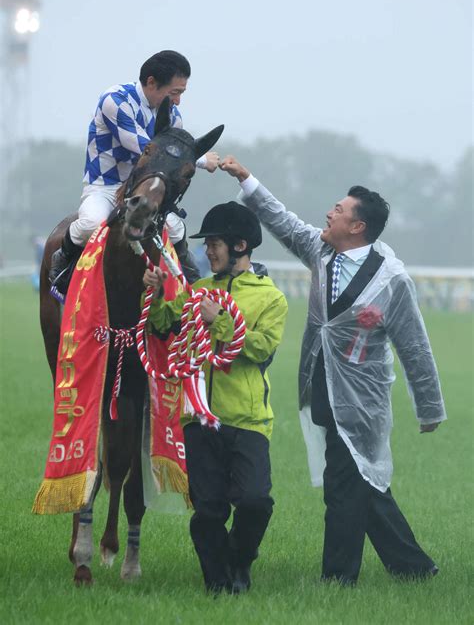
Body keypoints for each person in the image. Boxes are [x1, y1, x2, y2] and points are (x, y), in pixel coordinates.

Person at [219, 155, 447, 586]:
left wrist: (429, 408)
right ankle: (415, 568)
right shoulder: (323, 252)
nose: (330, 212)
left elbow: (414, 347)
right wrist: (247, 180)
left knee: (343, 485)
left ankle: (338, 579)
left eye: (339, 210)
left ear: (357, 226)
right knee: (363, 481)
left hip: (363, 402)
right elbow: (282, 222)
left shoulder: (392, 281)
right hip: (321, 388)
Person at [143, 201, 288, 594]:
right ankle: (219, 585)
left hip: (248, 420)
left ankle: (240, 561)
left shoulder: (271, 298)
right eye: (208, 244)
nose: (208, 251)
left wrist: (218, 320)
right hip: (198, 419)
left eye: (216, 244)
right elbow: (161, 326)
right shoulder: (197, 291)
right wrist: (156, 295)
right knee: (207, 512)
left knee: (256, 502)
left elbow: (261, 350)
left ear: (240, 245)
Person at [49, 50, 220, 294]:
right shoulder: (115, 100)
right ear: (151, 82)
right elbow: (147, 148)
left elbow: (170, 163)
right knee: (92, 223)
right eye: (175, 93)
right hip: (105, 186)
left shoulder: (173, 116)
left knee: (176, 228)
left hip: (144, 187)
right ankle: (62, 258)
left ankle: (190, 280)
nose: (178, 101)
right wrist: (202, 159)